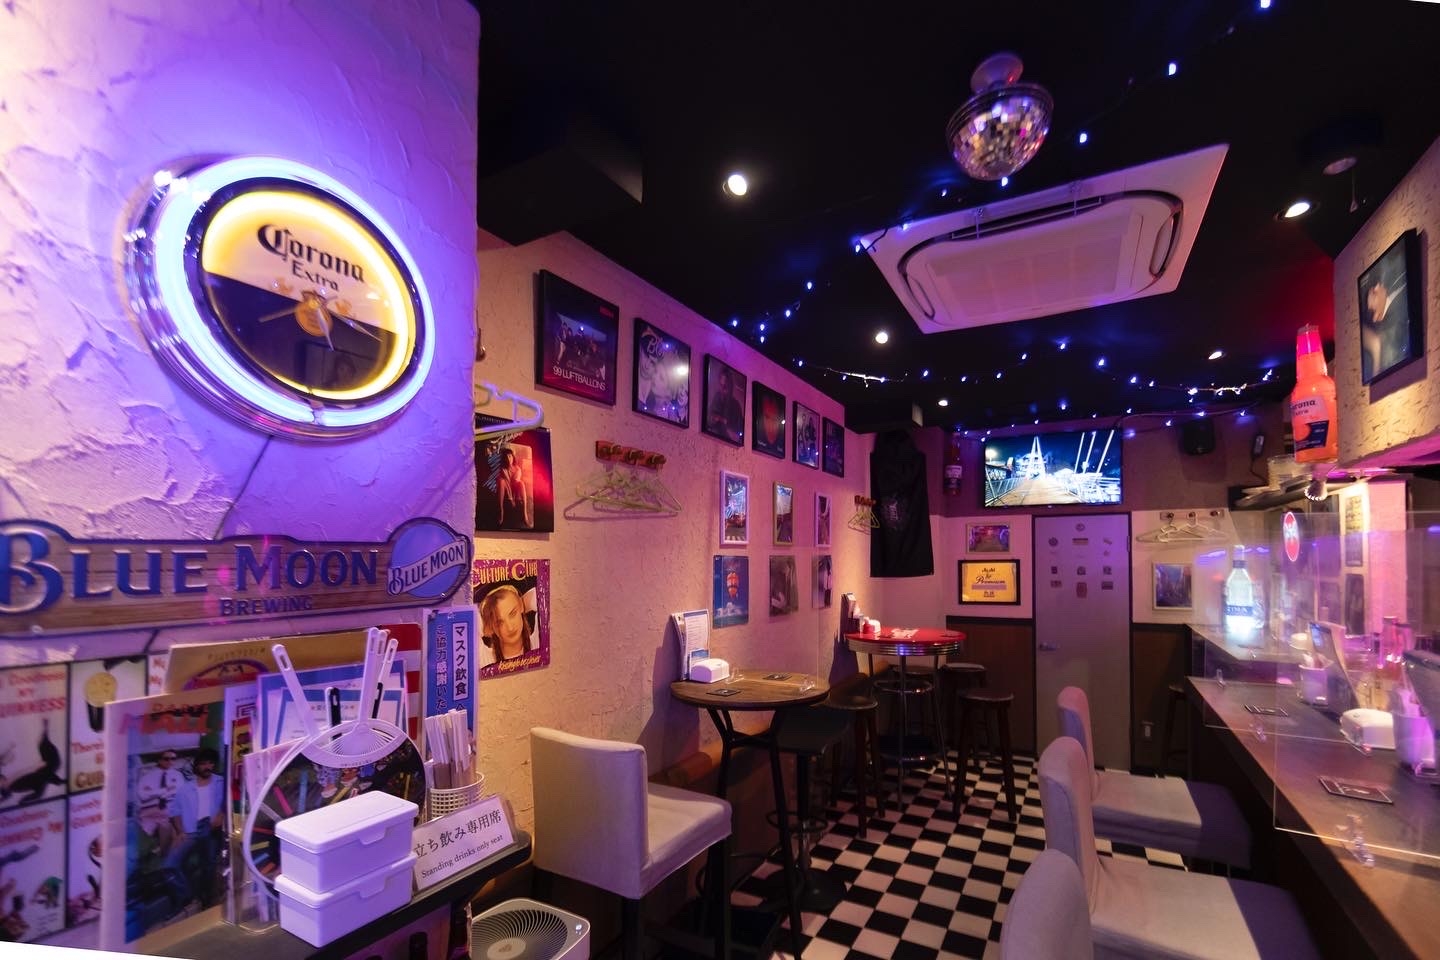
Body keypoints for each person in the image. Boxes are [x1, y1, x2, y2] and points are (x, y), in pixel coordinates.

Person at [168, 748, 224, 908]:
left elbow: (229, 802)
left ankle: (207, 900)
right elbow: (174, 811)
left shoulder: (221, 782)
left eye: (211, 763)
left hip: (211, 828)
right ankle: (188, 897)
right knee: (170, 865)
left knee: (208, 865)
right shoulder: (185, 788)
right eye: (204, 764)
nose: (208, 767)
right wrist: (180, 831)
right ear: (196, 766)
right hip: (190, 830)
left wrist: (222, 814)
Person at [1360, 259, 1412, 381]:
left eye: (1373, 289)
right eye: (1374, 294)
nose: (1377, 286)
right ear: (1376, 316)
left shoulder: (1391, 281)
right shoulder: (1397, 322)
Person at [135, 750, 181, 859]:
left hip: (169, 810)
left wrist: (153, 792)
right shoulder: (148, 776)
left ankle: (162, 856)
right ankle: (154, 852)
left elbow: (179, 793)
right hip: (149, 811)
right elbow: (142, 795)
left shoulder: (178, 775)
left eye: (173, 759)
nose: (170, 761)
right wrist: (164, 791)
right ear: (159, 760)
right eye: (166, 759)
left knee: (169, 831)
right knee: (142, 841)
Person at [480, 583, 533, 662]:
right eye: (500, 622)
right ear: (490, 625)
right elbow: (469, 626)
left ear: (521, 605)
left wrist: (522, 603)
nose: (510, 628)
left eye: (513, 614)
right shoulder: (485, 659)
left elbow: (539, 597)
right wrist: (486, 621)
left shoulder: (537, 643)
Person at [496, 446, 532, 528]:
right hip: (506, 490)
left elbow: (514, 483)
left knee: (521, 483)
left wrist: (513, 498)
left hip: (515, 491)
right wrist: (510, 499)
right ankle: (501, 511)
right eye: (506, 457)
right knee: (501, 481)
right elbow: (506, 482)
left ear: (513, 457)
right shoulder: (503, 469)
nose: (508, 459)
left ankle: (525, 513)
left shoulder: (518, 469)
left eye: (510, 456)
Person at [706, 366, 743, 443]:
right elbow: (708, 420)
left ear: (730, 385)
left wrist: (724, 421)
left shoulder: (736, 406)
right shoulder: (716, 398)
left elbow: (739, 433)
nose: (723, 389)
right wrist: (713, 418)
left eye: (725, 386)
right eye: (721, 385)